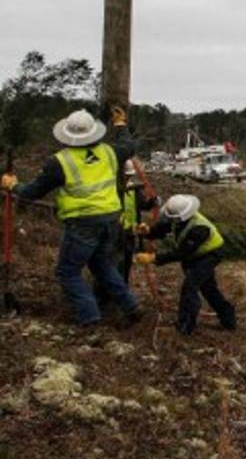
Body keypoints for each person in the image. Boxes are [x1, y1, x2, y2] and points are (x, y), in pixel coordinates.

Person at [0, 108, 142, 327]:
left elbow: (31, 192)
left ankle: (89, 317)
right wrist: (121, 125)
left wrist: (13, 185)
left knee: (68, 272)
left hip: (83, 223)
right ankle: (131, 306)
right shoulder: (109, 152)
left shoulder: (60, 162)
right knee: (102, 266)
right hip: (111, 220)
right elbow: (129, 146)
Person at [135, 194, 237, 336]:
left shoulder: (199, 229)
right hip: (195, 255)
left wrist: (154, 258)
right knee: (208, 288)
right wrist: (148, 232)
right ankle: (228, 319)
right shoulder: (178, 218)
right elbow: (164, 227)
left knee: (190, 287)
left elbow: (181, 253)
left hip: (209, 255)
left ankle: (186, 325)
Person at [116, 161, 158, 284]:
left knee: (126, 264)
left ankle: (122, 288)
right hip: (115, 234)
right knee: (116, 264)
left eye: (129, 175)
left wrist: (152, 202)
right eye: (126, 175)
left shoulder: (133, 189)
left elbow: (143, 205)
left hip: (130, 233)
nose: (128, 178)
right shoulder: (112, 190)